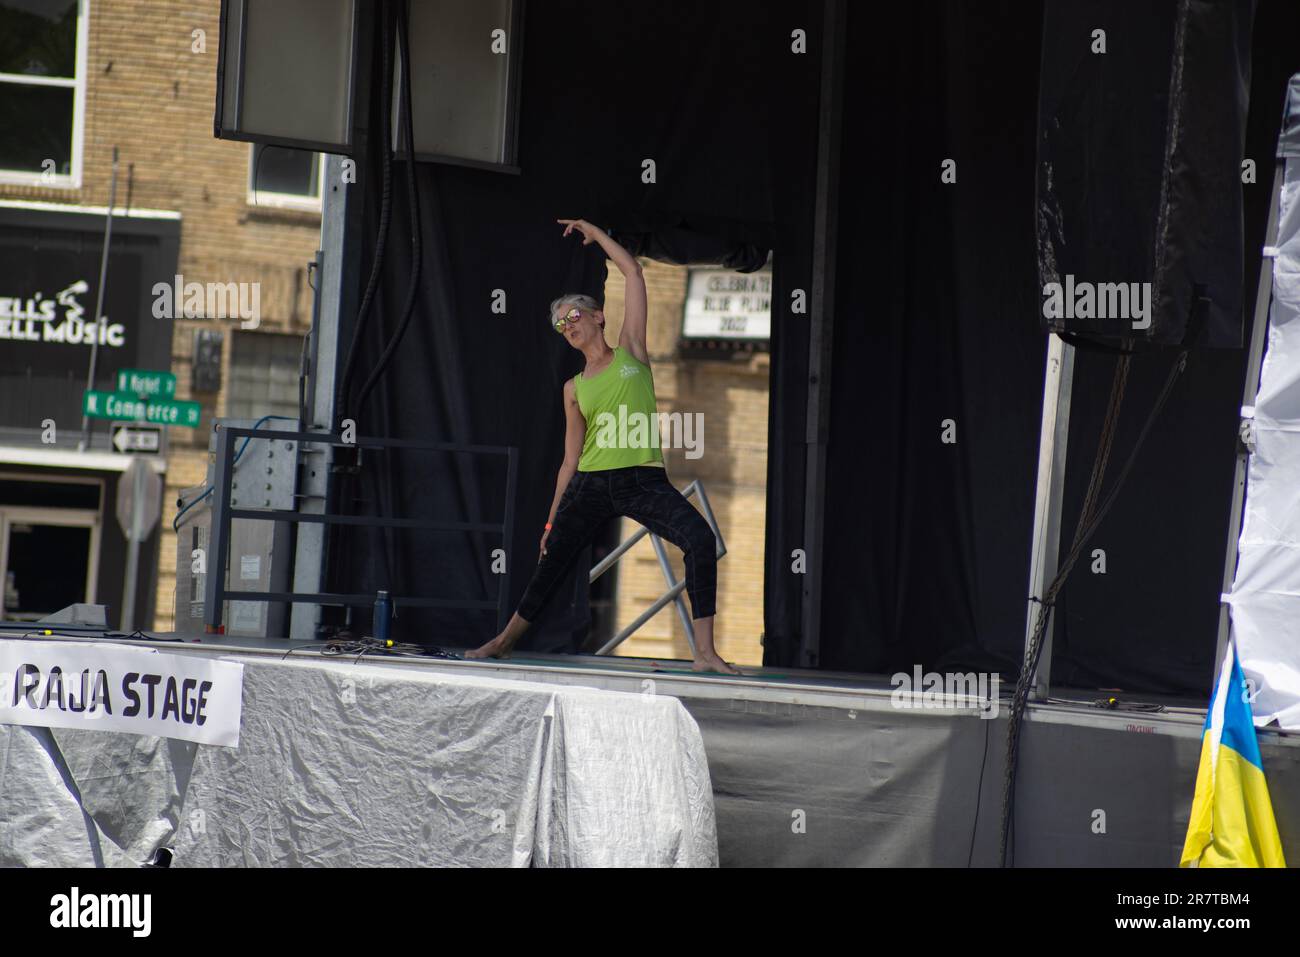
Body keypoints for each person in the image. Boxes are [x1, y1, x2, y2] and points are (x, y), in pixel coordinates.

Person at [467, 218, 739, 674]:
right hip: (591, 483)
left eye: (573, 316)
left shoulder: (632, 351)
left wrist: (596, 234)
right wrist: (553, 520)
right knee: (549, 566)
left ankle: (705, 653)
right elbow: (569, 460)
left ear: (598, 316)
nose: (567, 326)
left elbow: (633, 273)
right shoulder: (573, 387)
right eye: (560, 325)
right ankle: (502, 642)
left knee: (699, 539)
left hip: (642, 480)